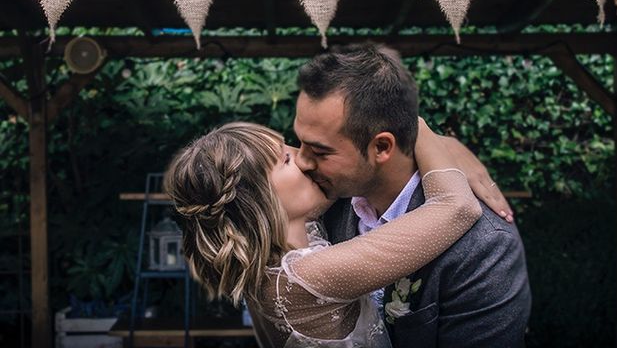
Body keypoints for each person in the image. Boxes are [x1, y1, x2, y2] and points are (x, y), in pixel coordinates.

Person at [164, 118, 502, 347]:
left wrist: (453, 149)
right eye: (285, 158)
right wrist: (411, 125)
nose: (304, 155)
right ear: (259, 201)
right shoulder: (310, 275)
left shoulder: (268, 262)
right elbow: (457, 207)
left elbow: (342, 177)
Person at [294, 42, 532, 348]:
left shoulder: (484, 246)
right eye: (299, 143)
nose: (301, 161)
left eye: (319, 151)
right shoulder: (322, 201)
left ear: (381, 147)